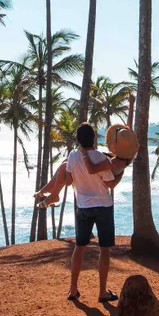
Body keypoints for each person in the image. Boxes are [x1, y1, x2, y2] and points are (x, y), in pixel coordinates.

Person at [34, 122, 130, 302]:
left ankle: (73, 290)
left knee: (79, 248)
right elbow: (110, 184)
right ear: (94, 138)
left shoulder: (72, 156)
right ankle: (102, 292)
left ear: (78, 140)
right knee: (104, 250)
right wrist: (122, 171)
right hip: (103, 206)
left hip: (83, 207)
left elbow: (68, 180)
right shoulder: (101, 158)